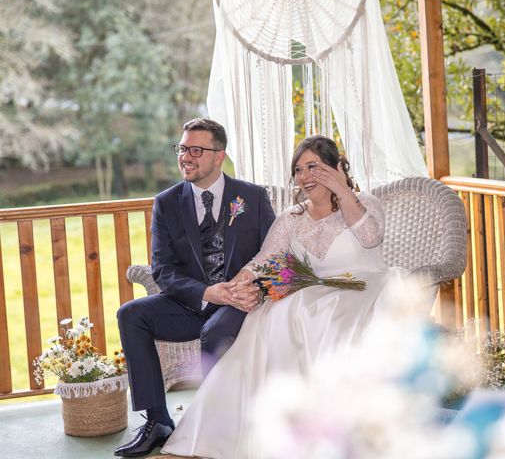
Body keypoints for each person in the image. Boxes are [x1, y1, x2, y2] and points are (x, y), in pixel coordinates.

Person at [162, 135, 433, 459]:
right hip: (313, 292)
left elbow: (371, 237)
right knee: (271, 315)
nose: (305, 176)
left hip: (366, 290)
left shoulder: (364, 202)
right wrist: (235, 287)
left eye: (314, 167)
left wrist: (343, 190)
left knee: (326, 315)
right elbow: (264, 258)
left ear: (337, 168)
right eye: (299, 169)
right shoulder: (292, 217)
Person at [114, 118, 276, 457]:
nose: (186, 156)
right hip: (190, 303)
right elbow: (162, 269)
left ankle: (216, 425)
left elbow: (274, 255)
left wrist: (253, 290)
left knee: (215, 333)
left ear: (219, 157)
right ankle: (157, 420)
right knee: (131, 314)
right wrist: (205, 292)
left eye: (196, 150)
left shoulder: (252, 197)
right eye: (183, 148)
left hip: (238, 305)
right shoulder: (166, 202)